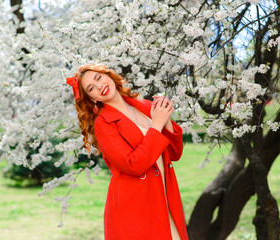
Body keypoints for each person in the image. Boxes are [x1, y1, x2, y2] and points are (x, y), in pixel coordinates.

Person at [66, 63, 189, 240]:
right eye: (91, 88)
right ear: (92, 98)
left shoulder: (144, 105)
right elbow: (133, 164)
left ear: (109, 75)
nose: (99, 86)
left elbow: (175, 154)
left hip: (165, 195)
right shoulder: (103, 124)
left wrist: (165, 118)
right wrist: (156, 124)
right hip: (135, 206)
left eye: (99, 78)